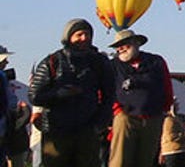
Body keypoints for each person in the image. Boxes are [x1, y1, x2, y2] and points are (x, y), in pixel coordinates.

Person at [30, 19, 115, 167]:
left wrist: (99, 124)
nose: (84, 38)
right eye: (79, 34)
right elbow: (35, 96)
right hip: (56, 130)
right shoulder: (52, 61)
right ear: (68, 37)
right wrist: (59, 94)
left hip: (87, 130)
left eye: (87, 34)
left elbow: (109, 95)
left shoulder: (99, 62)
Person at [107, 30, 173, 167]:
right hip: (125, 118)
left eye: (125, 44)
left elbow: (167, 85)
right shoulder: (111, 66)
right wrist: (117, 111)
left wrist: (164, 109)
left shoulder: (156, 62)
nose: (121, 48)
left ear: (137, 43)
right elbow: (105, 91)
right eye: (118, 46)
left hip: (152, 117)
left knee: (146, 161)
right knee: (119, 161)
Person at [158, 102, 185, 167]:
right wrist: (183, 136)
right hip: (172, 150)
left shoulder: (175, 119)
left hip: (179, 149)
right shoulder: (169, 120)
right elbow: (169, 136)